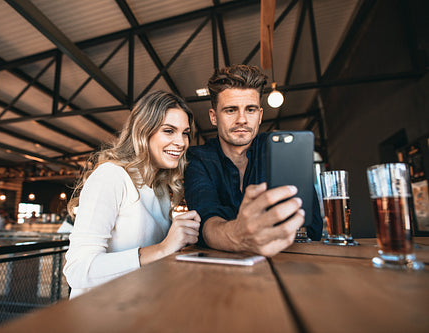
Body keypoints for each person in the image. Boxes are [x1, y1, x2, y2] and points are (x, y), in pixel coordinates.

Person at [63, 90, 201, 298]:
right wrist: (163, 248)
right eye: (169, 130)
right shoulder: (111, 176)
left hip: (137, 307)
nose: (181, 142)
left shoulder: (161, 189)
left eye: (185, 132)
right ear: (144, 132)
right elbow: (77, 270)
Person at [184, 64, 323, 257]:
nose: (242, 119)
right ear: (214, 117)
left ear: (260, 115)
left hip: (287, 262)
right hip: (219, 271)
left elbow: (311, 225)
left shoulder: (281, 152)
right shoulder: (198, 158)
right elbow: (206, 220)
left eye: (250, 109)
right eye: (231, 110)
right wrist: (235, 235)